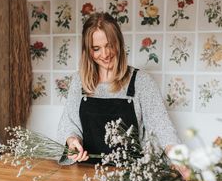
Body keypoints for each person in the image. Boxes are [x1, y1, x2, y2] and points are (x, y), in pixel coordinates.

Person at [57, 12, 180, 166]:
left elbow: (162, 129)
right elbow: (69, 124)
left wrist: (181, 162)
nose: (105, 54)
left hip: (131, 177)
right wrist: (72, 141)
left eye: (109, 45)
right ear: (88, 51)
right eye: (96, 48)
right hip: (86, 173)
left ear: (119, 43)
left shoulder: (141, 81)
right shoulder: (79, 82)